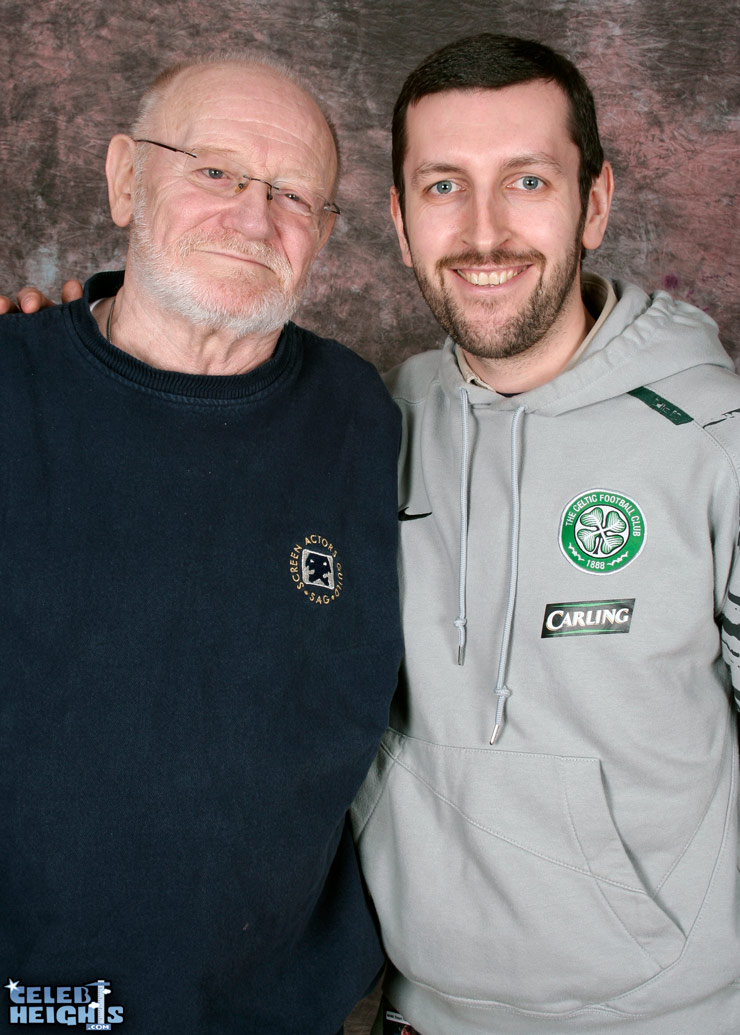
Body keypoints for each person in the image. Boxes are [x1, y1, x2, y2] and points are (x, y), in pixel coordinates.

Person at [0, 54, 403, 1034]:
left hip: (294, 1010)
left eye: (294, 194)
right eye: (215, 172)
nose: (255, 219)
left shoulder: (363, 413)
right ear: (125, 178)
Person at [350, 33, 740, 1035]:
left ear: (593, 203)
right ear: (398, 221)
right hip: (416, 1012)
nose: (484, 233)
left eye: (526, 180)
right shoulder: (364, 429)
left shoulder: (714, 439)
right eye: (443, 187)